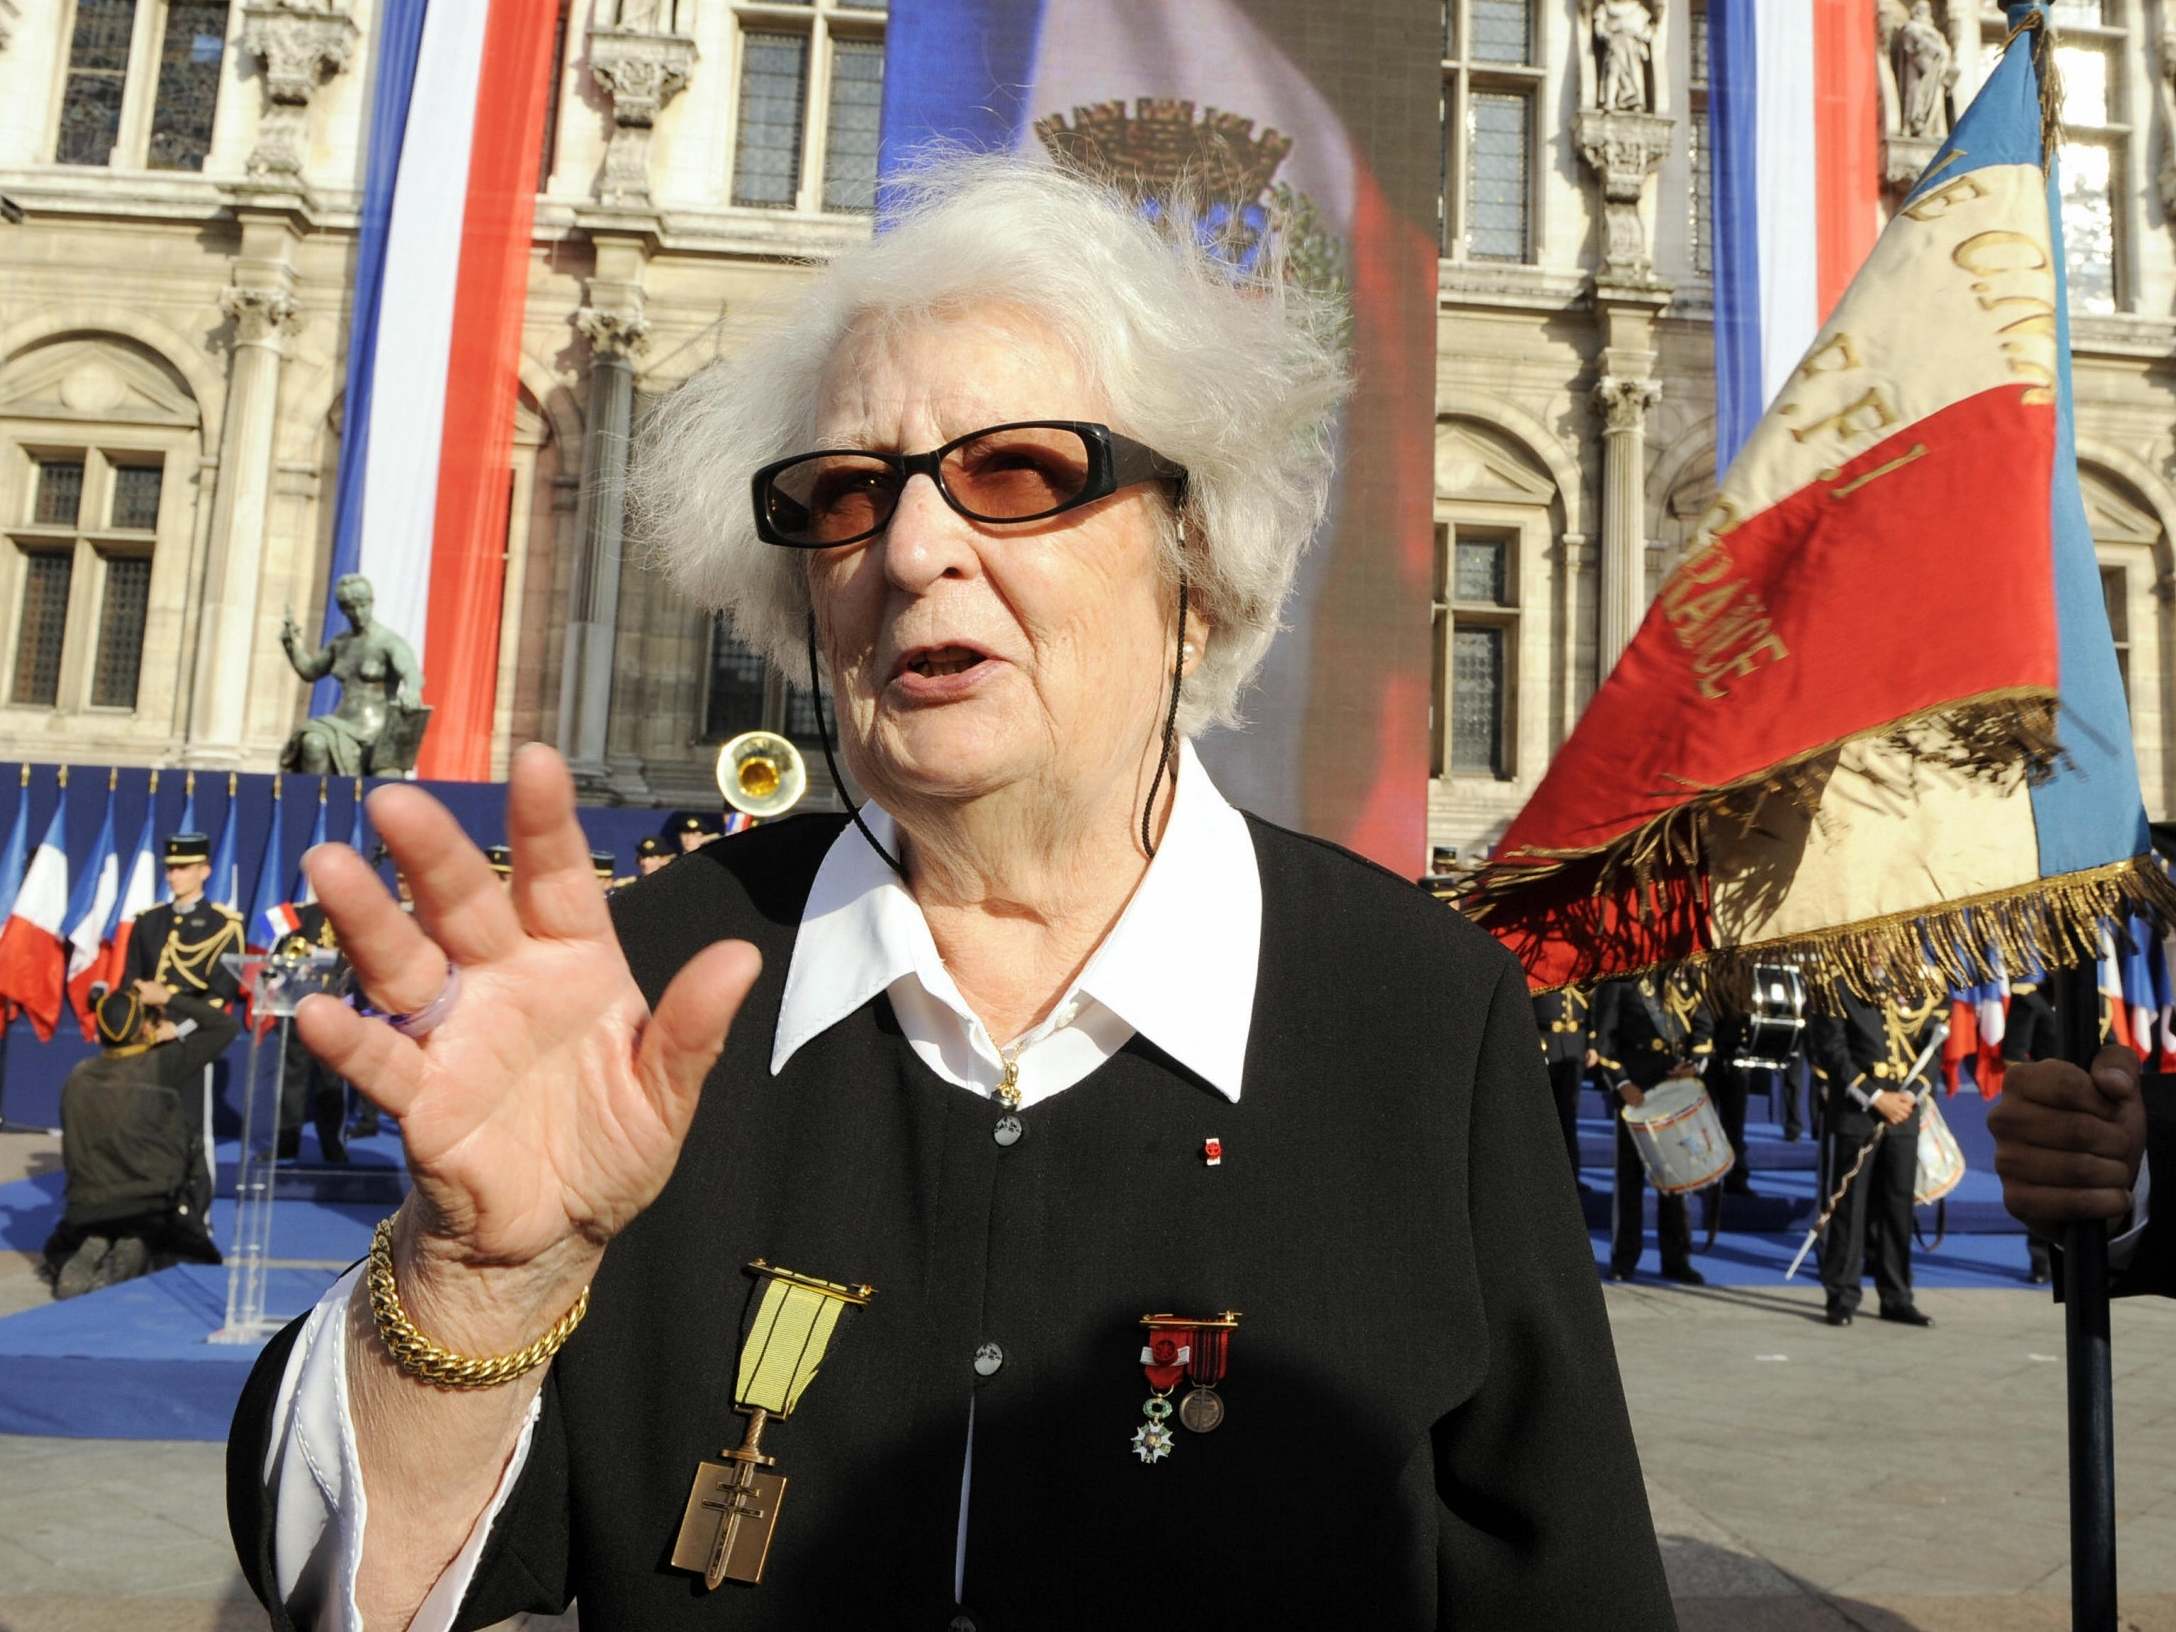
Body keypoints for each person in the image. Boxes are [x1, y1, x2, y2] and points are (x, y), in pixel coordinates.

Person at [225, 156, 1672, 1630]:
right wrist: (479, 1282)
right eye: (848, 495)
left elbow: (1564, 1579)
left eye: (1018, 473)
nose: (911, 549)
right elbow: (361, 1584)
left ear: (1202, 568)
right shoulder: (650, 991)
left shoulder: (1419, 1013)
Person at [43, 983, 238, 1296]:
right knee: (172, 1240)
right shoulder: (162, 1065)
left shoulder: (79, 1075)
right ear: (145, 1027)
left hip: (86, 1205)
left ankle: (97, 1240)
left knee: (95, 1222)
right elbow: (224, 1025)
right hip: (149, 1203)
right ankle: (134, 1245)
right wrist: (168, 998)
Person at [1808, 984, 1939, 1328]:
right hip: (1857, 1113)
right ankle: (1842, 1296)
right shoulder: (1839, 986)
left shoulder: (1917, 986)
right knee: (1849, 1208)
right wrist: (1876, 1096)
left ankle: (1896, 1296)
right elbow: (1833, 1051)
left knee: (1897, 1208)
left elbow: (1932, 1047)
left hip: (1903, 1115)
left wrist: (1909, 1095)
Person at [1593, 971, 1712, 1285]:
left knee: (1675, 1177)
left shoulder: (1684, 975)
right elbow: (1605, 1040)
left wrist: (1695, 1061)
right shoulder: (1619, 980)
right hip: (1637, 1092)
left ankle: (1676, 1259)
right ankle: (1624, 1258)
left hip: (1673, 1087)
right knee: (1629, 1179)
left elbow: (1703, 1025)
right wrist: (1621, 1083)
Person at [274, 902, 349, 1163]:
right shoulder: (303, 913)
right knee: (291, 1079)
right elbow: (270, 936)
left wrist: (325, 956)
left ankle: (332, 1144)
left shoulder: (354, 914)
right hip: (300, 1004)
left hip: (337, 1007)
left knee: (331, 1081)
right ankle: (286, 1142)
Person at [1532, 985, 1590, 1183]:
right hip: (1546, 1042)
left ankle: (1572, 1177)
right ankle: (1543, 1176)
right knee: (1543, 1116)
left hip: (1574, 1044)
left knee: (1569, 1115)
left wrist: (1593, 1043)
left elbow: (1595, 1003)